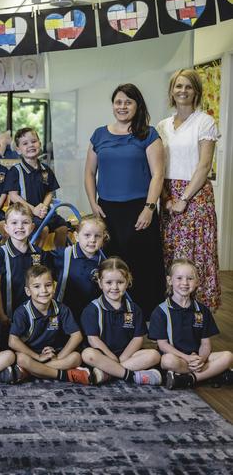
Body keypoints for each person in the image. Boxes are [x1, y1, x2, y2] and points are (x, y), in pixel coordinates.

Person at [84, 83, 165, 316]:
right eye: (118, 102)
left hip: (140, 208)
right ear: (113, 105)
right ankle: (113, 314)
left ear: (137, 105)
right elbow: (89, 173)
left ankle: (147, 315)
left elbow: (158, 174)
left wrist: (149, 208)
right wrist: (93, 203)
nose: (122, 106)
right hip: (107, 210)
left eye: (128, 102)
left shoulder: (148, 134)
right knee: (112, 263)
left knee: (143, 263)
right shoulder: (99, 134)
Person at [157, 69, 221, 310]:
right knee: (170, 251)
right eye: (178, 86)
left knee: (195, 253)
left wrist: (184, 198)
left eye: (188, 87)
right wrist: (165, 197)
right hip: (168, 194)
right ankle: (172, 310)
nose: (182, 91)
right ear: (172, 91)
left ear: (196, 92)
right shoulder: (163, 125)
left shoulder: (205, 121)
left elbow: (204, 166)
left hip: (194, 195)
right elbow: (159, 167)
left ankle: (198, 311)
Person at [149, 259, 233, 389]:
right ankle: (211, 375)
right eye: (179, 278)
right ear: (170, 281)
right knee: (167, 361)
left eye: (190, 278)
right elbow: (163, 345)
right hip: (176, 357)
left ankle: (188, 379)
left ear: (197, 282)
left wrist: (202, 359)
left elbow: (205, 343)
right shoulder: (161, 311)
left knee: (228, 356)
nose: (185, 283)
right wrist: (187, 358)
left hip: (197, 358)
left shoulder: (202, 310)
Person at [80, 258, 162, 386]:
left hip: (128, 356)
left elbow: (138, 338)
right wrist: (111, 358)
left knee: (154, 355)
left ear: (128, 281)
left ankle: (108, 373)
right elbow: (93, 339)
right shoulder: (92, 309)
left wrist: (123, 357)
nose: (114, 287)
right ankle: (133, 375)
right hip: (103, 355)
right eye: (109, 282)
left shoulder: (135, 309)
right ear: (100, 283)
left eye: (120, 282)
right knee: (87, 354)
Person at [8, 265, 90, 385]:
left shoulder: (62, 309)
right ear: (28, 291)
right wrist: (37, 357)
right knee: (20, 359)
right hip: (31, 354)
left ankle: (30, 371)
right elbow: (12, 341)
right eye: (37, 286)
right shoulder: (22, 312)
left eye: (48, 285)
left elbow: (77, 336)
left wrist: (60, 357)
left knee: (76, 357)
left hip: (53, 353)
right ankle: (64, 375)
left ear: (54, 287)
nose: (44, 290)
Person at [0, 203, 49, 327]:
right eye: (14, 223)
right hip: (7, 315)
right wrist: (0, 314)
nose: (20, 227)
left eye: (25, 222)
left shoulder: (38, 253)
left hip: (33, 316)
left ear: (32, 227)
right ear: (6, 227)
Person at [9, 127, 68, 249]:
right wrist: (33, 209)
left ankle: (58, 259)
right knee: (43, 230)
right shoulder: (15, 171)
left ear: (39, 144)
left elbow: (49, 192)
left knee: (63, 228)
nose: (30, 145)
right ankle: (36, 260)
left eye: (34, 141)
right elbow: (13, 196)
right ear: (18, 150)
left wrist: (44, 207)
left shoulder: (46, 169)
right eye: (25, 143)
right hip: (25, 213)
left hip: (43, 212)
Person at [53, 215, 108, 324]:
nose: (92, 240)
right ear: (76, 236)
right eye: (87, 235)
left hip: (91, 314)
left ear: (103, 238)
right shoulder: (63, 254)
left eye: (97, 236)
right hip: (65, 313)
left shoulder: (104, 262)